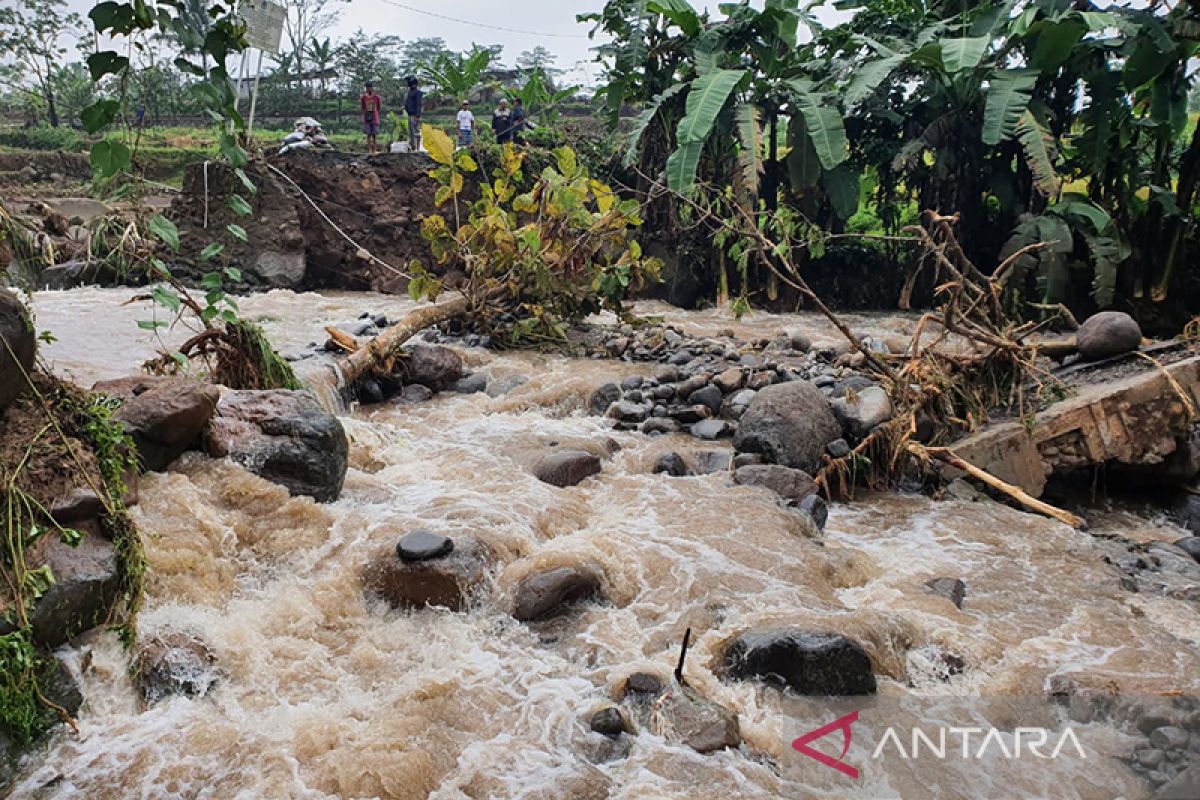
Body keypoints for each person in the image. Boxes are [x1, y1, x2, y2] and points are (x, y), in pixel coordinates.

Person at [360, 81, 382, 154]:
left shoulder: (376, 97)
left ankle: (374, 150)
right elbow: (363, 107)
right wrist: (364, 115)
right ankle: (369, 150)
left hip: (374, 117)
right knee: (368, 134)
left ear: (372, 88)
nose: (369, 89)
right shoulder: (364, 97)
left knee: (374, 134)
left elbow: (379, 107)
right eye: (367, 88)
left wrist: (375, 113)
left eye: (370, 87)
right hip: (367, 117)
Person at [404, 75, 423, 152]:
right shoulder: (410, 92)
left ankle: (417, 148)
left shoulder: (417, 92)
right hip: (410, 115)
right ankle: (413, 147)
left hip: (415, 115)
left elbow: (418, 104)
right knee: (411, 132)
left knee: (416, 131)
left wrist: (418, 115)